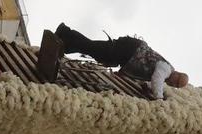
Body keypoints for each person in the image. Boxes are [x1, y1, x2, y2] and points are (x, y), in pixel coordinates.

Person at [37, 21, 187, 98]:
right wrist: (159, 97)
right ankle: (64, 33)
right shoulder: (166, 69)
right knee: (95, 49)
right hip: (128, 50)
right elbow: (157, 78)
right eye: (176, 81)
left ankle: (65, 39)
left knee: (94, 49)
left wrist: (145, 86)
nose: (173, 83)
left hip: (127, 53)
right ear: (177, 73)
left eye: (175, 85)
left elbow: (149, 78)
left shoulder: (164, 71)